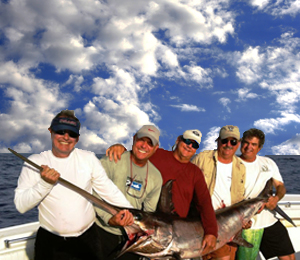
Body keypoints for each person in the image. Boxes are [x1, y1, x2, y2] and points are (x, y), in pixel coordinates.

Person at [14, 110, 134, 260]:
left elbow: (108, 190)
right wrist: (44, 184)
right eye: (60, 131)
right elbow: (21, 205)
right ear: (51, 131)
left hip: (88, 238)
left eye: (72, 133)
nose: (66, 137)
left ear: (77, 138)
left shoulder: (88, 158)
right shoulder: (35, 161)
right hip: (50, 241)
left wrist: (132, 214)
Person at [106, 129, 218, 256]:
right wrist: (120, 148)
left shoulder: (195, 172)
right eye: (187, 141)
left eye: (194, 145)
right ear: (178, 140)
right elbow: (136, 155)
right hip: (144, 228)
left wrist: (211, 232)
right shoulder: (157, 154)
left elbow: (204, 203)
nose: (189, 146)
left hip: (175, 236)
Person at [94, 125, 163, 260]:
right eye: (141, 140)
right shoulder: (111, 160)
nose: (144, 146)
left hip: (131, 239)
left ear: (155, 149)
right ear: (133, 139)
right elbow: (93, 194)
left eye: (150, 143)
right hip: (100, 232)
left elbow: (149, 213)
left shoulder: (156, 177)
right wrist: (109, 219)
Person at [236, 128, 295, 260]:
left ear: (260, 148)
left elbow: (280, 186)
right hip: (245, 223)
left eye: (253, 144)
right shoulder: (232, 164)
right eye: (246, 142)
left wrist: (276, 198)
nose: (248, 147)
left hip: (268, 219)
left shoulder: (268, 162)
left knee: (289, 257)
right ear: (240, 143)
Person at [191, 125, 246, 260]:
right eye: (224, 140)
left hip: (227, 224)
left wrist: (244, 219)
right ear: (218, 141)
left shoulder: (241, 167)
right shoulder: (202, 158)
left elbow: (240, 198)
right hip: (200, 222)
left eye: (233, 142)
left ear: (238, 144)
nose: (228, 145)